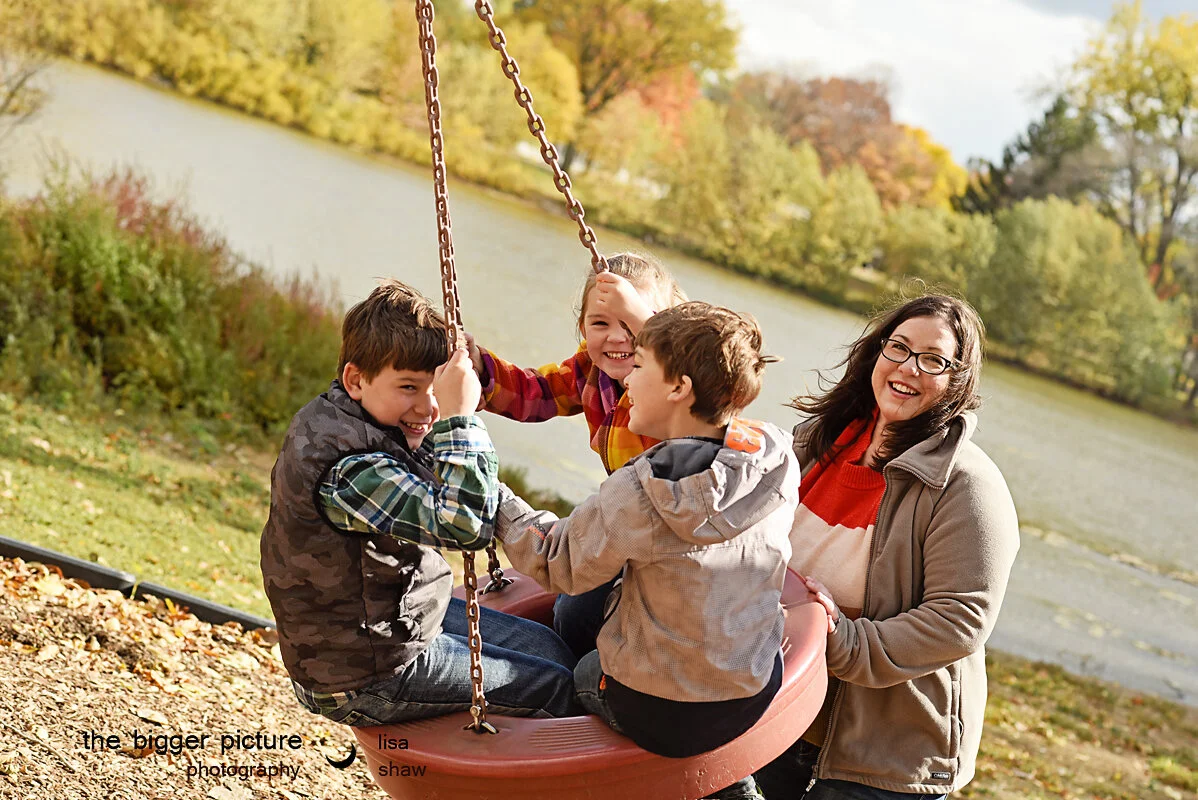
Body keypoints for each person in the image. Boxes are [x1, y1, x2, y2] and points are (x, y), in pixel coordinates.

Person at [494, 301, 797, 800]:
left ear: (679, 388)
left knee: (577, 672)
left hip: (660, 711)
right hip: (752, 688)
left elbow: (557, 562)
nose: (626, 382)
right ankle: (728, 783)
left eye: (638, 366)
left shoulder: (642, 487)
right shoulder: (776, 452)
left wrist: (496, 499)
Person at [260, 279, 580, 728]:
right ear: (356, 380)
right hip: (363, 671)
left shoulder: (376, 421)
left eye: (437, 390)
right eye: (408, 387)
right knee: (556, 687)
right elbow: (464, 525)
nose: (427, 408)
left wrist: (553, 537)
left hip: (398, 617)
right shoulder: (350, 469)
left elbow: (484, 493)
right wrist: (459, 418)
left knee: (550, 649)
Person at [755, 294, 1020, 799]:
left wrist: (843, 642)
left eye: (933, 360)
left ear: (957, 381)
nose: (909, 367)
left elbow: (959, 620)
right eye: (899, 347)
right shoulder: (816, 439)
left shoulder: (968, 486)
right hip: (775, 706)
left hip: (885, 755)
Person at [470, 252, 687, 658]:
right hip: (625, 520)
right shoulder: (590, 371)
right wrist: (480, 368)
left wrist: (651, 330)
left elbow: (692, 373)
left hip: (678, 533)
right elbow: (535, 392)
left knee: (616, 611)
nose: (617, 338)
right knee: (573, 611)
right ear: (582, 328)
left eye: (632, 323)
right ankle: (574, 676)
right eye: (600, 323)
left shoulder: (676, 385)